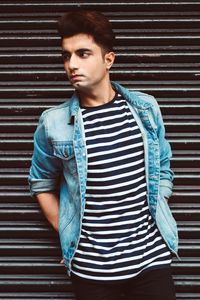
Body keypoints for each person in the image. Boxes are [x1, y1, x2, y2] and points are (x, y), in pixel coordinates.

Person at [29, 9, 178, 300]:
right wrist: (68, 233)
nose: (72, 64)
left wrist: (157, 208)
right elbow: (42, 184)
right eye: (66, 55)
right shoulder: (54, 123)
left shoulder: (145, 110)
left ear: (108, 59)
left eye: (83, 53)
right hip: (91, 271)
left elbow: (162, 166)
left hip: (151, 262)